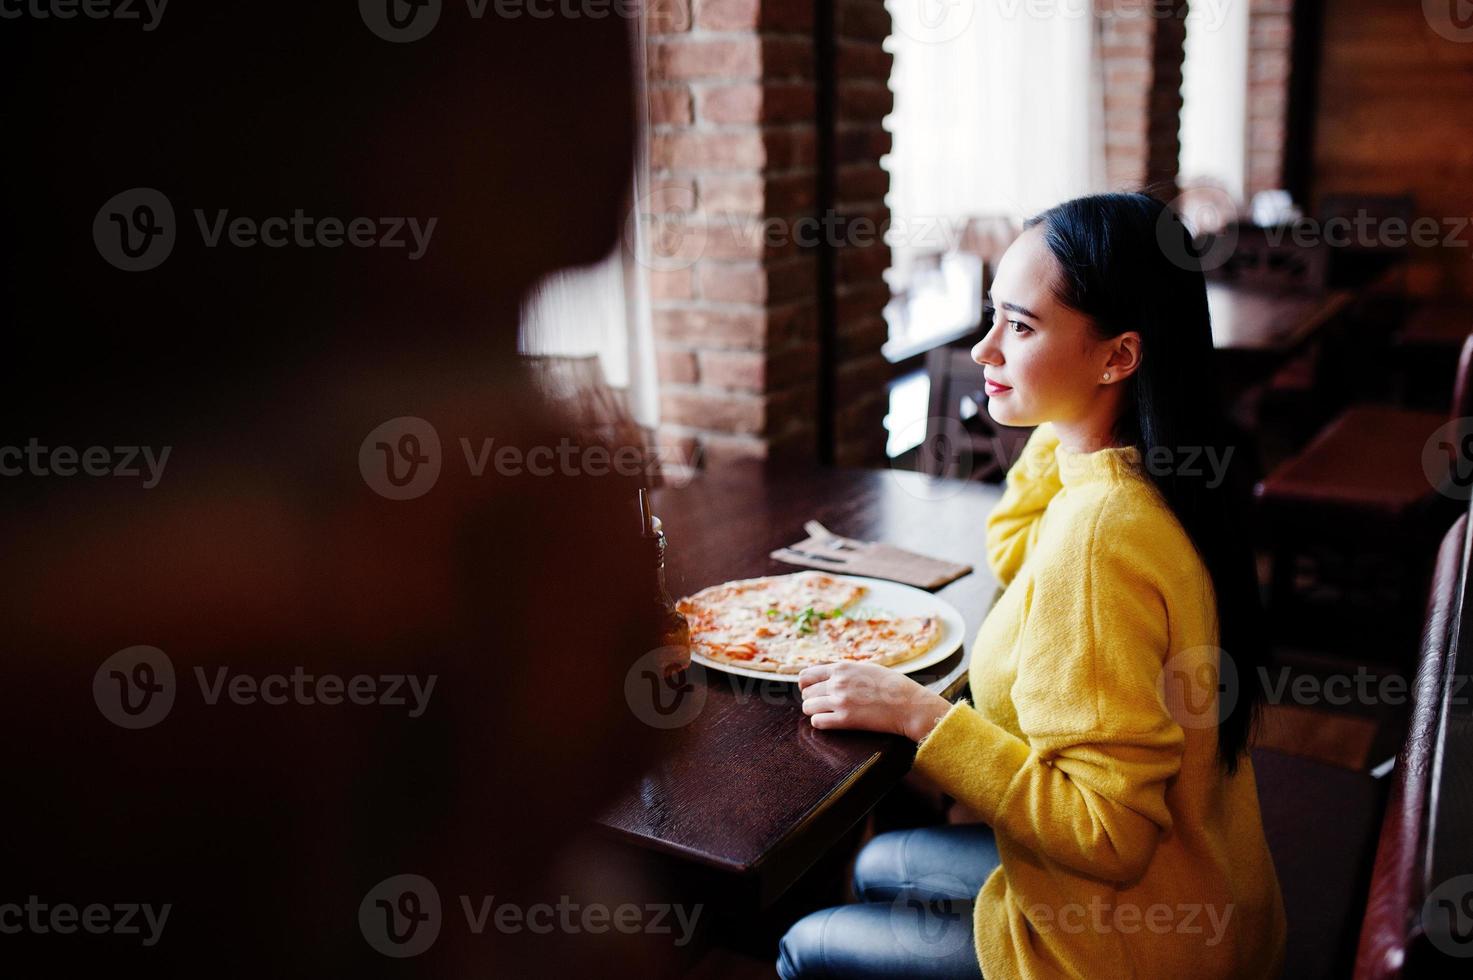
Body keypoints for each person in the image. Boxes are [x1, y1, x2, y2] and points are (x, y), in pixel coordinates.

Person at [781, 192, 1286, 978]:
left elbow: (1106, 836)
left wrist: (919, 715)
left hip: (1125, 948)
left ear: (1119, 357)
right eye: (992, 316)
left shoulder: (1100, 536)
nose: (983, 351)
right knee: (879, 866)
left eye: (1017, 327)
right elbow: (1017, 549)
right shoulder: (1141, 472)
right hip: (1204, 893)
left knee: (801, 944)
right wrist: (1066, 420)